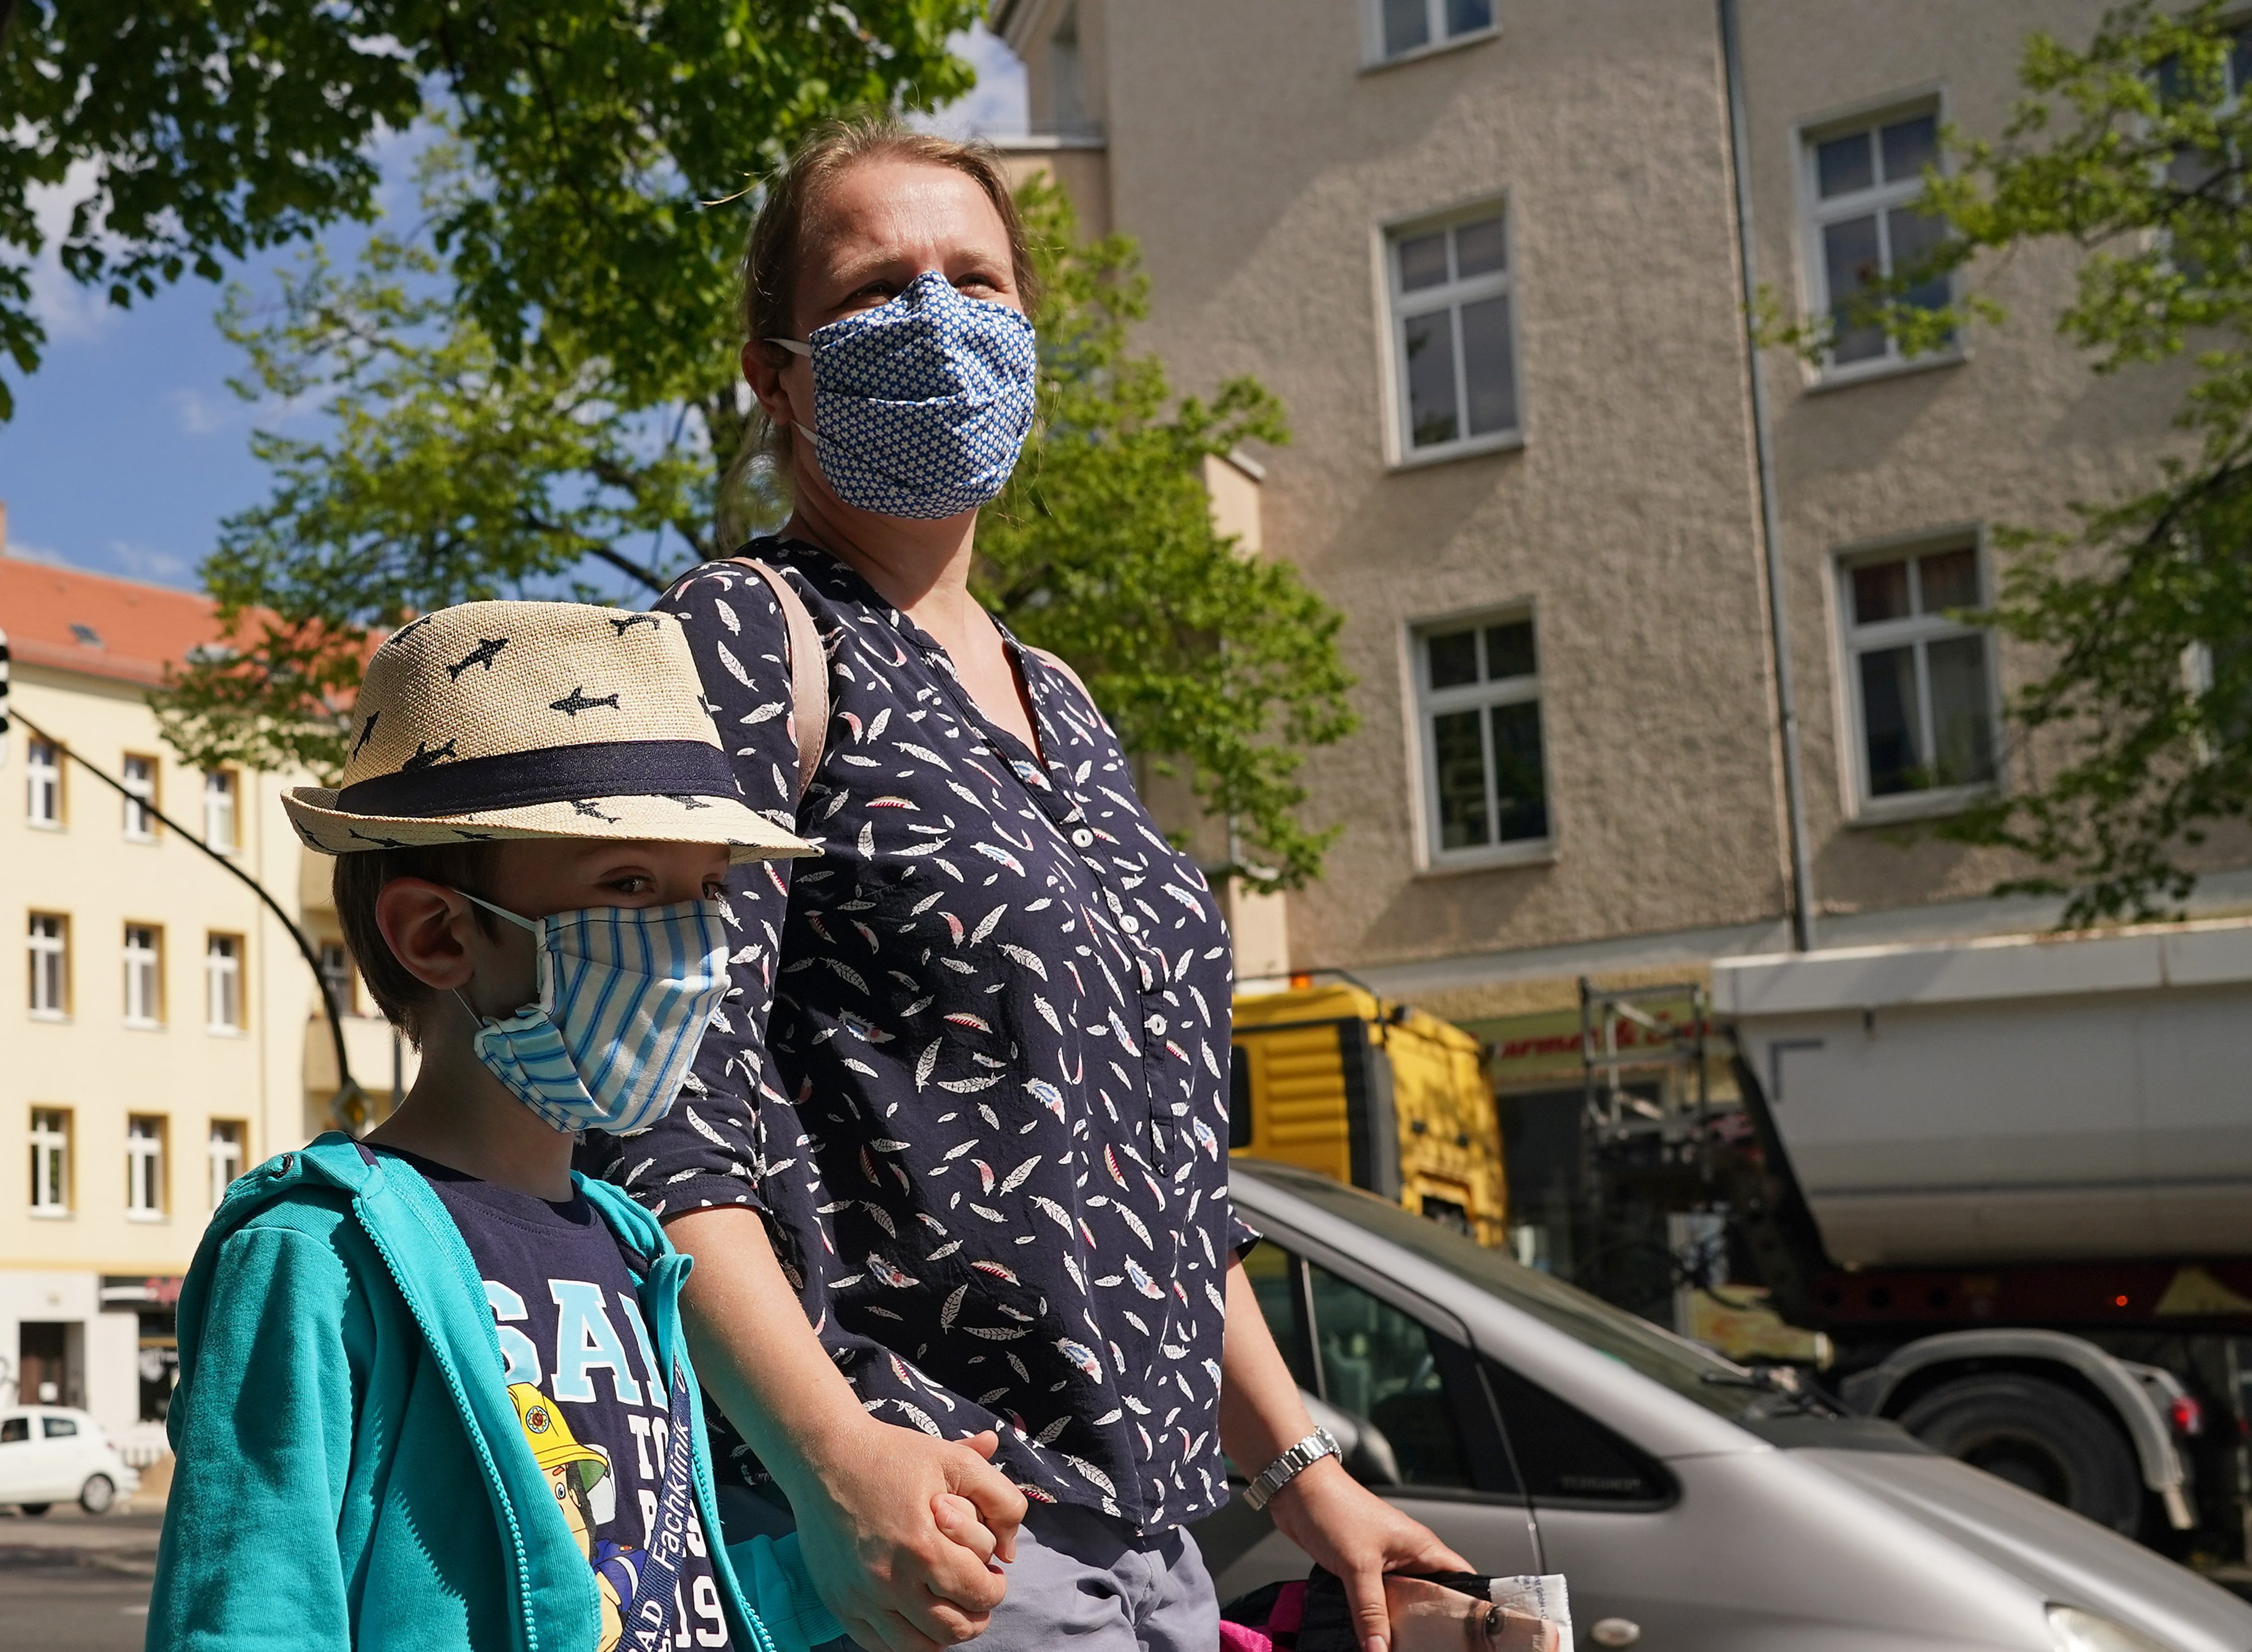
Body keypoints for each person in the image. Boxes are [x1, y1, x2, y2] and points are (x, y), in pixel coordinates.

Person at [575, 117, 1466, 1652]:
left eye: (977, 281)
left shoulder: (1064, 702)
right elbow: (651, 1101)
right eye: (871, 288)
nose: (936, 319)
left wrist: (1306, 1469)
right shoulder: (747, 632)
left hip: (1152, 1545)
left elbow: (1154, 1180)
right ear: (772, 375)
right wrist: (832, 1458)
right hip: (921, 1535)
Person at [156, 600, 955, 1652]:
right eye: (628, 884)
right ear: (436, 933)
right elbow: (249, 1612)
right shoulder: (316, 1253)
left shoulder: (632, 1247)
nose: (696, 947)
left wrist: (851, 1563)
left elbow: (661, 1591)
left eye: (706, 890)